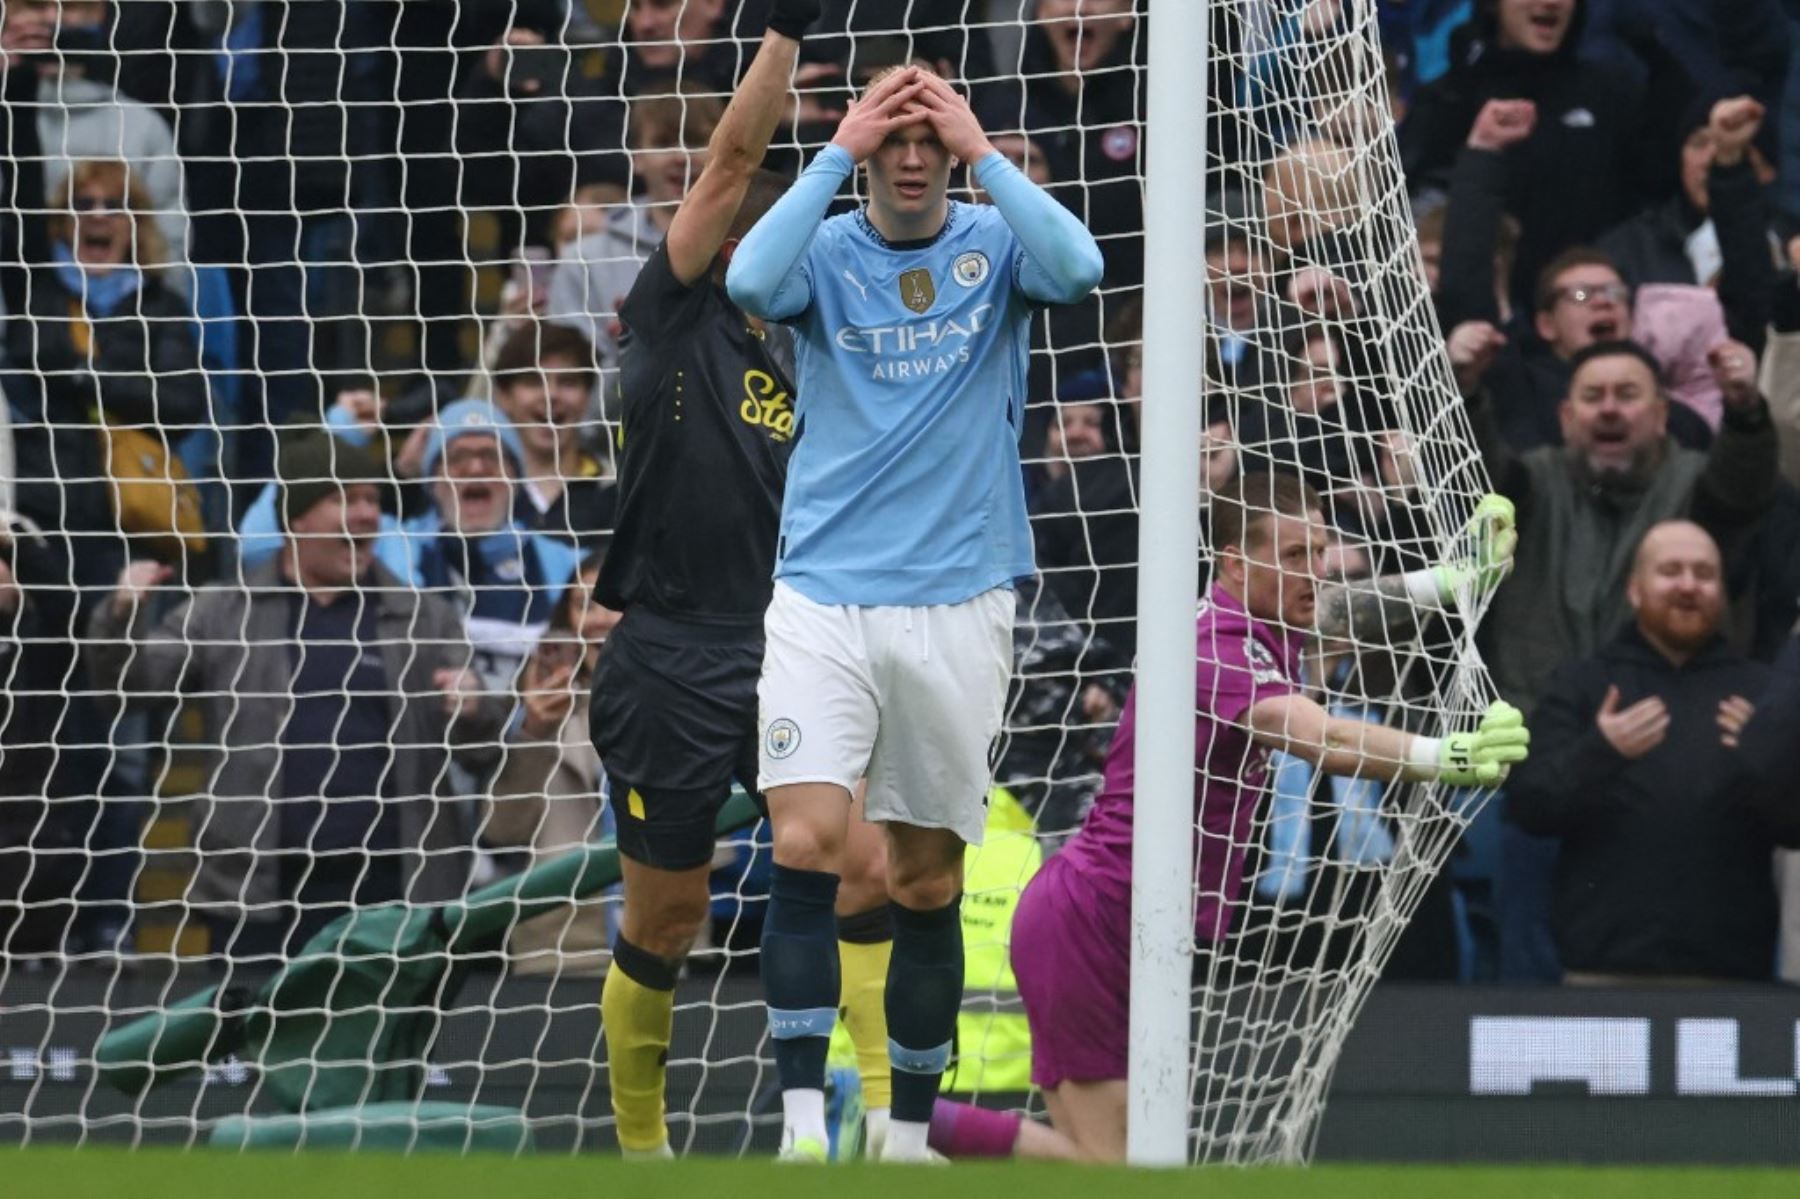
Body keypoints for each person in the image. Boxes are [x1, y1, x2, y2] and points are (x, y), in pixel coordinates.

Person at [726, 63, 1104, 1161]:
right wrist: (837, 146)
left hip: (959, 600)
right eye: (893, 143)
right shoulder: (827, 253)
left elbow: (1081, 267)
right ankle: (802, 1124)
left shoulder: (996, 248)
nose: (909, 156)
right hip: (822, 593)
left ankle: (903, 1135)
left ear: (949, 157)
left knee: (924, 875)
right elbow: (749, 282)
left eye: (924, 143)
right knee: (804, 838)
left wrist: (981, 144)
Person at [928, 473, 1527, 1161]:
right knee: (1117, 1167)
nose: (1317, 569)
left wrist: (1448, 581)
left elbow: (1342, 608)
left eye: (1322, 549)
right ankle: (903, 1124)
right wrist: (1446, 752)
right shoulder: (1218, 648)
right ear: (1236, 562)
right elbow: (1320, 737)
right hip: (1092, 921)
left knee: (1127, 1158)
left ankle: (908, 1123)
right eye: (1297, 554)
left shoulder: (1258, 620)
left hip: (1133, 922)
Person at [580, 3, 899, 1162]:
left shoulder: (824, 351)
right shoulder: (673, 317)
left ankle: (871, 1127)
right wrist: (779, 36)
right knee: (667, 916)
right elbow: (730, 158)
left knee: (863, 868)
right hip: (668, 649)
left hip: (796, 641)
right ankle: (642, 1151)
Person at [82, 433, 506, 958]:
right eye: (344, 500)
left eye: (372, 500)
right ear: (297, 520)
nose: (366, 515)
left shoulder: (425, 616)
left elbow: (482, 751)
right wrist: (120, 615)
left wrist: (474, 708)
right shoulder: (225, 610)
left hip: (395, 889)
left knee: (391, 1041)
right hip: (259, 894)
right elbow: (126, 690)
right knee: (259, 1040)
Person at [1507, 521, 1793, 983]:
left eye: (1704, 574)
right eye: (1670, 571)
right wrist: (1601, 750)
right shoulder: (1584, 683)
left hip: (1734, 984)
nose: (1687, 585)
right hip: (1601, 977)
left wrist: (1763, 757)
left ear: (1721, 592)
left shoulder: (1762, 692)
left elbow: (1795, 828)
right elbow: (1528, 807)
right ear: (1635, 590)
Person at [486, 554, 619, 976]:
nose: (599, 619)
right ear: (567, 620)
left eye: (614, 602)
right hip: (558, 945)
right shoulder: (535, 697)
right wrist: (535, 731)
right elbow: (501, 830)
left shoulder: (681, 692)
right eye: (585, 605)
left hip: (664, 935)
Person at [486, 322, 616, 548]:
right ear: (504, 397)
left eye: (568, 382)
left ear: (587, 397)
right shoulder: (476, 489)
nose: (551, 394)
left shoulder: (617, 493)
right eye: (533, 381)